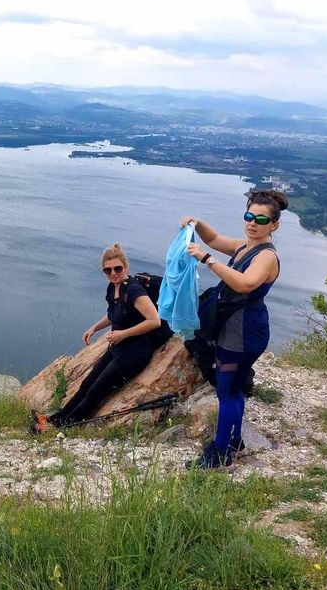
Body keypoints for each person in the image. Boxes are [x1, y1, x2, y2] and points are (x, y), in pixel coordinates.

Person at [182, 189, 287, 469]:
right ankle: (234, 441)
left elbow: (245, 283)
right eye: (249, 216)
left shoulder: (266, 256)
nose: (253, 223)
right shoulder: (245, 247)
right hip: (236, 328)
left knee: (227, 392)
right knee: (235, 388)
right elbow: (215, 239)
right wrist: (197, 222)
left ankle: (220, 454)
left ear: (274, 225)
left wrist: (206, 260)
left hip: (243, 333)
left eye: (261, 220)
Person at [35, 244, 162, 431]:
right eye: (108, 270)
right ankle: (55, 419)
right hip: (118, 348)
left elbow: (154, 321)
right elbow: (114, 315)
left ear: (125, 268)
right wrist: (94, 328)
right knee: (86, 385)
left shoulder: (134, 290)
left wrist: (123, 334)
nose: (113, 273)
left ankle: (63, 427)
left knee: (97, 391)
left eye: (117, 268)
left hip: (134, 352)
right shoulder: (113, 288)